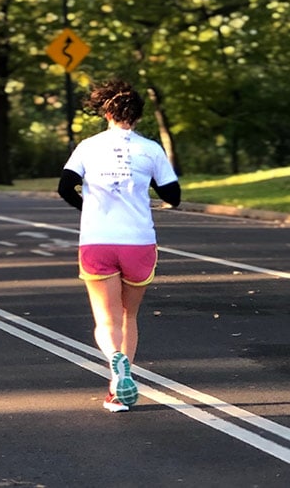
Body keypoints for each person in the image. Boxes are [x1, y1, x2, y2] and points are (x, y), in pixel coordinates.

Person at [57, 78, 181, 413]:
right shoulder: (150, 149)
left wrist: (90, 208)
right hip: (138, 241)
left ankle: (116, 367)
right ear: (138, 117)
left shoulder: (88, 147)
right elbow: (174, 196)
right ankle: (117, 390)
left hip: (98, 240)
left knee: (106, 319)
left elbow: (65, 187)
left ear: (106, 113)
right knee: (129, 315)